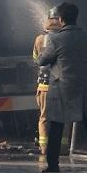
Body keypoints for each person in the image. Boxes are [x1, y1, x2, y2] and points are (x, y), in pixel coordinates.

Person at [37, 1, 87, 173]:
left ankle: (53, 164)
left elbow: (42, 61)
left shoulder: (55, 39)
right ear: (76, 18)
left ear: (61, 19)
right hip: (86, 87)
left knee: (56, 127)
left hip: (63, 89)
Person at [33, 9, 61, 155]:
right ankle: (62, 146)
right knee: (63, 117)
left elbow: (35, 59)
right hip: (60, 85)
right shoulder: (65, 39)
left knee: (44, 117)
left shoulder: (39, 39)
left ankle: (44, 148)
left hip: (44, 85)